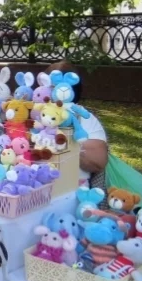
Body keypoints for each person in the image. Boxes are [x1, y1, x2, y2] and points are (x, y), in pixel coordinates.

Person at [45, 60, 108, 188]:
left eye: (53, 87)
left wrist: (65, 144)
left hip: (72, 190)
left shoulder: (83, 118)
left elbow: (98, 162)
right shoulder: (36, 113)